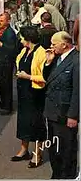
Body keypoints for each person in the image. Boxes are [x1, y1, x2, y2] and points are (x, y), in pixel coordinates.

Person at [43, 32, 79, 179]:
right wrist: (48, 62)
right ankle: (56, 174)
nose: (51, 47)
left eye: (54, 43)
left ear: (64, 44)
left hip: (64, 114)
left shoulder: (76, 60)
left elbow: (78, 91)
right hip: (52, 112)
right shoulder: (57, 58)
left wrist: (73, 115)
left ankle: (66, 176)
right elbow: (47, 78)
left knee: (66, 149)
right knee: (54, 148)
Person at [13, 26, 47, 168]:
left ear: (28, 39)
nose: (20, 40)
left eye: (22, 38)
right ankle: (24, 149)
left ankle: (37, 154)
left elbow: (45, 77)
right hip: (23, 92)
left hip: (35, 93)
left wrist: (27, 76)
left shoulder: (41, 53)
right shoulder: (24, 51)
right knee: (23, 120)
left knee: (36, 122)